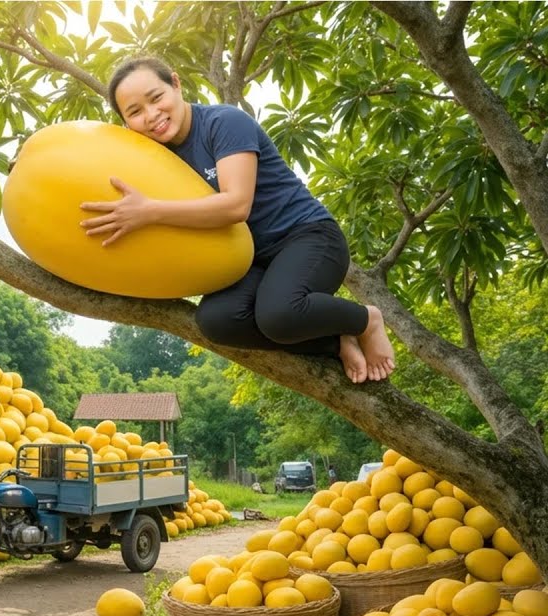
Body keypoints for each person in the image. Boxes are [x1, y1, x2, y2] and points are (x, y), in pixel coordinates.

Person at [79, 55, 395, 383]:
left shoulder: (224, 122)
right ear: (127, 124)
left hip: (308, 237)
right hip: (251, 261)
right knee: (217, 320)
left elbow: (236, 206)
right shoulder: (155, 158)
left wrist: (149, 211)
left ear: (175, 83)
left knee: (279, 314)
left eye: (156, 98)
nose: (151, 115)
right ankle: (336, 340)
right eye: (135, 112)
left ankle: (365, 320)